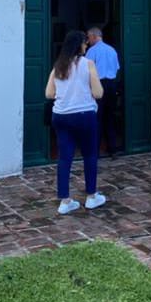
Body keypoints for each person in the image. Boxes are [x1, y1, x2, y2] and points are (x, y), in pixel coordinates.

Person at [45, 30, 106, 214]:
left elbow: (49, 93)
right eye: (84, 43)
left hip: (61, 116)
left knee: (64, 158)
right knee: (89, 155)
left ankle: (65, 200)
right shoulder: (88, 64)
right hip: (84, 115)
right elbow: (98, 93)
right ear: (79, 45)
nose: (86, 45)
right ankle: (91, 196)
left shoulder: (58, 66)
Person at [86, 26, 121, 157]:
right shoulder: (112, 50)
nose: (88, 40)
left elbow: (87, 70)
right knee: (110, 116)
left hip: (98, 84)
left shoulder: (92, 51)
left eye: (89, 37)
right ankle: (112, 149)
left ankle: (94, 150)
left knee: (97, 117)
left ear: (95, 36)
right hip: (111, 85)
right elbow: (117, 68)